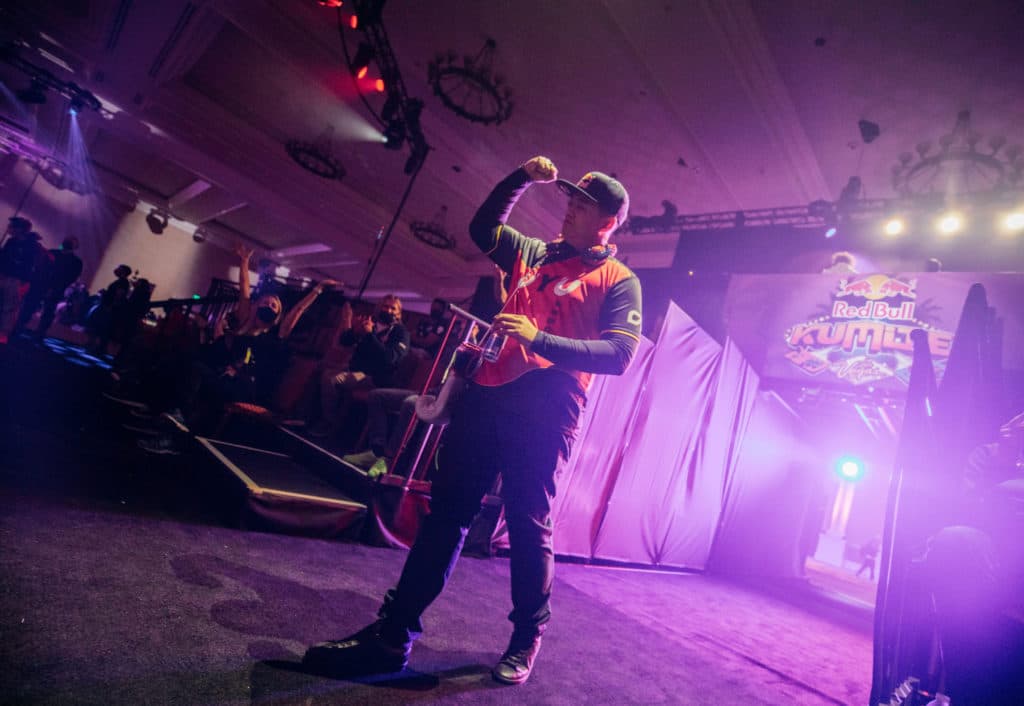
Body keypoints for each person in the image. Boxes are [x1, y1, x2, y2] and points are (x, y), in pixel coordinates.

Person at [302, 156, 643, 685]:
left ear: (607, 221)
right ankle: (393, 636)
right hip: (487, 394)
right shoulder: (534, 252)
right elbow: (482, 228)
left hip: (550, 407)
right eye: (571, 197)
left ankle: (527, 636)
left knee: (529, 525)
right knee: (447, 515)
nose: (570, 205)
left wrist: (537, 339)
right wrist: (520, 180)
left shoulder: (619, 279)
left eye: (583, 203)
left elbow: (620, 355)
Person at [310, 294, 410, 438]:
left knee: (331, 379)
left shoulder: (401, 333)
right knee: (319, 366)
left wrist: (369, 335)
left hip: (373, 377)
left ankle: (329, 422)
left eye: (392, 308)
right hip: (353, 368)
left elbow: (389, 359)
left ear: (398, 313)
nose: (388, 310)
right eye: (385, 306)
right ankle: (305, 414)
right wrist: (355, 331)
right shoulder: (371, 323)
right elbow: (344, 342)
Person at [14, 236, 83, 339]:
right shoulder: (53, 253)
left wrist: (56, 287)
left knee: (48, 311)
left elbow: (71, 277)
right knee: (30, 306)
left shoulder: (76, 262)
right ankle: (20, 326)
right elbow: (40, 267)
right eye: (67, 240)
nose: (67, 242)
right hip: (40, 284)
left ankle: (40, 331)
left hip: (56, 288)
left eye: (71, 241)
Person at [0, 217, 47, 343]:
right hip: (6, 276)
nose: (9, 228)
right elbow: (3, 258)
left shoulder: (32, 246)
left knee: (9, 306)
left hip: (17, 279)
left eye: (13, 226)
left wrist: (24, 280)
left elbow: (32, 264)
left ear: (20, 229)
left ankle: (4, 333)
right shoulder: (11, 241)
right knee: (6, 305)